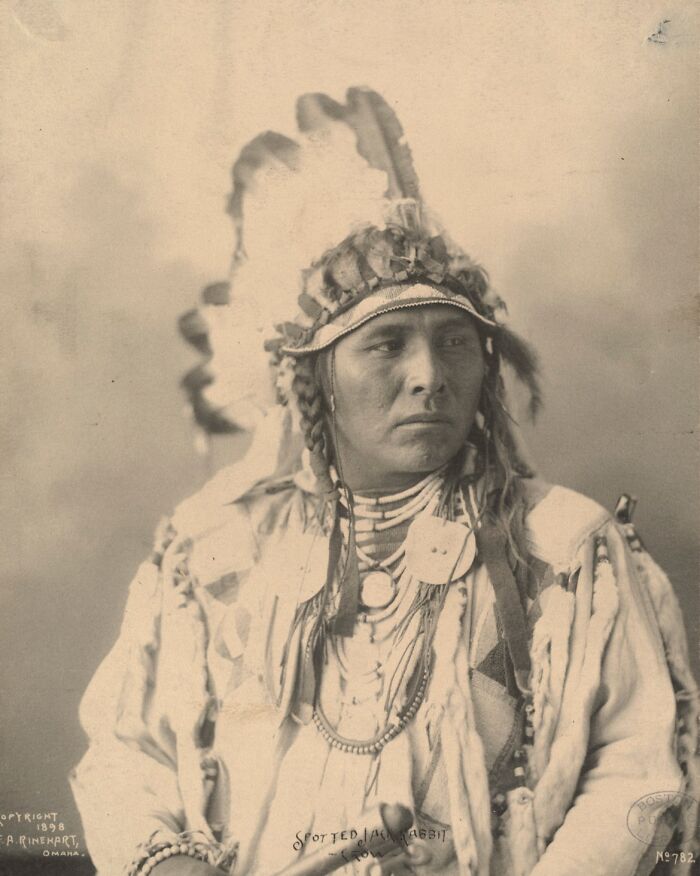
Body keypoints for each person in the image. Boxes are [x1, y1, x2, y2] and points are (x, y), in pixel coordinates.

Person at [71, 88, 699, 876]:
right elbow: (126, 753)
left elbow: (634, 774)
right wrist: (167, 864)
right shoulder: (217, 553)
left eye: (456, 344)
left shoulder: (568, 549)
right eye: (387, 344)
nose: (428, 377)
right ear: (317, 381)